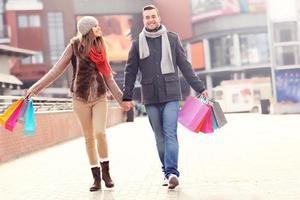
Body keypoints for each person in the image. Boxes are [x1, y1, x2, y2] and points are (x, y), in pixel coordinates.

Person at [25, 16, 131, 192]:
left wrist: (122, 100)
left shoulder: (101, 46)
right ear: (88, 29)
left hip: (99, 96)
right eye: (96, 26)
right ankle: (96, 178)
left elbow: (108, 78)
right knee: (89, 138)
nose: (99, 28)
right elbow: (56, 70)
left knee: (100, 133)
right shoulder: (74, 46)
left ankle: (106, 173)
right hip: (79, 98)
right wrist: (35, 88)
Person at [122, 5, 208, 189]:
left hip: (170, 94)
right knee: (159, 136)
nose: (151, 20)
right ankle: (166, 171)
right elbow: (130, 72)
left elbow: (185, 66)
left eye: (153, 16)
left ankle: (172, 173)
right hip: (150, 97)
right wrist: (126, 96)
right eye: (147, 17)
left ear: (159, 18)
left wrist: (200, 88)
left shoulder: (172, 39)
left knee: (170, 133)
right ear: (144, 20)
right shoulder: (137, 43)